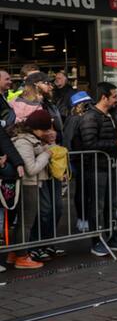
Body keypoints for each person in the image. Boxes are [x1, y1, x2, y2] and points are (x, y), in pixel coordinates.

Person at [79, 82, 117, 256]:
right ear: (103, 97)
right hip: (97, 168)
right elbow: (89, 143)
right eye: (114, 96)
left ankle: (113, 236)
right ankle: (97, 240)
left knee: (112, 204)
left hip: (110, 165)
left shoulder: (109, 115)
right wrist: (114, 143)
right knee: (98, 206)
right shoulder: (91, 117)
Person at [8, 110, 54, 269]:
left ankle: (14, 253)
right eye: (45, 129)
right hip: (28, 184)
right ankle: (21, 256)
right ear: (36, 127)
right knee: (26, 222)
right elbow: (32, 168)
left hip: (31, 183)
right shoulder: (23, 141)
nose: (46, 132)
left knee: (23, 222)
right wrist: (46, 154)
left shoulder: (31, 138)